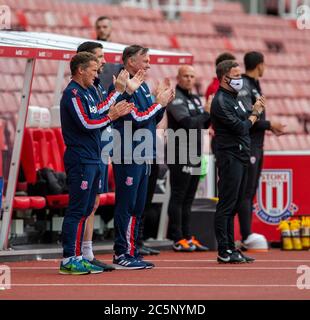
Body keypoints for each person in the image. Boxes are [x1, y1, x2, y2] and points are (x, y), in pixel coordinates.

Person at [59, 52, 135, 275]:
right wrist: (111, 116)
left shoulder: (88, 92)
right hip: (81, 158)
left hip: (93, 157)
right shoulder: (72, 94)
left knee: (85, 209)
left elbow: (100, 111)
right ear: (80, 70)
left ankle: (79, 256)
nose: (96, 74)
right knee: (76, 209)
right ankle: (68, 259)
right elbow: (87, 123)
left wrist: (117, 97)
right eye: (93, 70)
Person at [75, 41, 143, 271]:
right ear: (85, 62)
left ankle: (87, 251)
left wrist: (121, 92)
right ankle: (76, 255)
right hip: (88, 152)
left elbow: (106, 109)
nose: (103, 62)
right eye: (99, 58)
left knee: (93, 202)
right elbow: (97, 117)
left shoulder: (97, 86)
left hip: (102, 149)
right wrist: (120, 93)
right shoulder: (80, 91)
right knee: (84, 205)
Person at [109, 45, 174, 269]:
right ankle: (121, 253)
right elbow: (136, 117)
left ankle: (132, 250)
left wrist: (160, 104)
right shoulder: (121, 86)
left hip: (145, 152)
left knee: (138, 206)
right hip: (128, 153)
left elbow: (151, 119)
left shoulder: (143, 85)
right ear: (130, 61)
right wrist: (159, 104)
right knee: (126, 205)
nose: (148, 64)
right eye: (144, 60)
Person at [210, 60, 265, 264]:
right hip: (229, 156)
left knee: (234, 205)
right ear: (225, 78)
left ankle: (232, 248)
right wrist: (255, 113)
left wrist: (252, 113)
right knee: (226, 204)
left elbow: (245, 121)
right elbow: (242, 127)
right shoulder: (221, 101)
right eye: (236, 76)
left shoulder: (236, 98)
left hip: (241, 154)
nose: (240, 79)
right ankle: (224, 250)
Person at [237, 51, 285, 250]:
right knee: (246, 192)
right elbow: (248, 119)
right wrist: (269, 124)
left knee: (250, 191)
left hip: (257, 145)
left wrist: (268, 126)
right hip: (249, 145)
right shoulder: (246, 87)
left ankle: (246, 234)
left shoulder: (254, 85)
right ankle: (246, 235)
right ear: (259, 65)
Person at [166, 65, 211, 252]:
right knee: (179, 195)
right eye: (185, 76)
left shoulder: (194, 98)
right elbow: (188, 123)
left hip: (195, 152)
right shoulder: (176, 97)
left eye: (192, 76)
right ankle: (177, 237)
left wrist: (207, 114)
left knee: (189, 198)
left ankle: (187, 235)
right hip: (179, 152)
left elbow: (204, 124)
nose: (189, 79)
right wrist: (206, 113)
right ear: (178, 77)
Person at [94, 16, 123, 90]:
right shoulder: (90, 50)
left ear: (111, 28)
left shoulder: (118, 51)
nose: (101, 30)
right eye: (98, 27)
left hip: (113, 96)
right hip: (95, 93)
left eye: (105, 27)